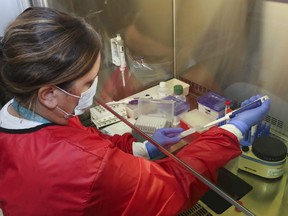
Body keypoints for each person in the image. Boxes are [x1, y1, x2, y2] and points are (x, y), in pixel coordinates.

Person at [0, 7, 270, 216]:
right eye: (87, 83)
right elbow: (172, 187)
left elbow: (85, 143)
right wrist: (232, 131)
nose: (94, 89)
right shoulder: (81, 163)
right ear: (48, 94)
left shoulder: (18, 115)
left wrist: (141, 150)